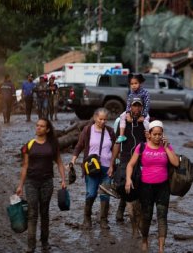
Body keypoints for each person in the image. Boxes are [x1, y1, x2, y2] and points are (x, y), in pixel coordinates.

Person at [125, 120, 179, 253]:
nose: (157, 137)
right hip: (146, 187)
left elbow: (176, 163)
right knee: (147, 216)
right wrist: (128, 180)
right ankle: (144, 240)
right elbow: (130, 164)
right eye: (154, 134)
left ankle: (161, 248)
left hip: (163, 187)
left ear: (162, 134)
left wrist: (166, 147)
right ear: (149, 134)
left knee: (162, 216)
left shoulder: (167, 147)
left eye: (159, 134)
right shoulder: (141, 147)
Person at [16, 118, 66, 253]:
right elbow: (25, 166)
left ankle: (44, 243)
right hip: (31, 183)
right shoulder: (30, 145)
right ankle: (30, 246)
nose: (38, 128)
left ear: (47, 129)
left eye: (42, 126)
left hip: (47, 183)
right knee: (32, 214)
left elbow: (60, 163)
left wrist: (63, 179)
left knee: (44, 213)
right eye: (37, 125)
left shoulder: (52, 145)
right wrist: (20, 185)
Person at [105, 97, 147, 236]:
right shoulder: (123, 123)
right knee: (126, 192)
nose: (136, 108)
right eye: (134, 106)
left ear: (142, 108)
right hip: (125, 161)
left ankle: (139, 224)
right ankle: (134, 228)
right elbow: (117, 143)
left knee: (141, 196)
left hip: (141, 163)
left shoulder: (146, 123)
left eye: (138, 106)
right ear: (130, 107)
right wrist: (111, 164)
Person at [70, 108, 116, 229]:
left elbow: (115, 149)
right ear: (95, 118)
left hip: (107, 168)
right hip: (91, 167)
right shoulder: (88, 130)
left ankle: (103, 220)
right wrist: (73, 161)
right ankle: (87, 219)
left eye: (105, 119)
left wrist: (112, 165)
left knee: (105, 194)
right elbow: (79, 146)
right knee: (91, 193)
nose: (102, 122)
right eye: (100, 119)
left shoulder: (110, 131)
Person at [117, 73, 150, 144]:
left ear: (140, 83)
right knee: (122, 116)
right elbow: (128, 104)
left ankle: (148, 137)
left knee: (146, 121)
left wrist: (143, 115)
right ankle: (121, 135)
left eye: (136, 83)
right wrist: (128, 114)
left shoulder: (145, 93)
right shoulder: (131, 93)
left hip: (142, 111)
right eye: (132, 84)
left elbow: (147, 105)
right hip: (131, 112)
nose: (134, 85)